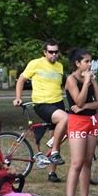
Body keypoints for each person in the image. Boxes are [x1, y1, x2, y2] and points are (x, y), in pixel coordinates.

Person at [13, 39, 67, 182]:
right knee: (64, 119)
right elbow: (21, 80)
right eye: (51, 52)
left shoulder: (60, 66)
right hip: (42, 104)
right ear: (45, 52)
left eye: (56, 52)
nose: (54, 55)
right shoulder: (35, 63)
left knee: (56, 136)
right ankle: (54, 151)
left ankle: (52, 173)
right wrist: (18, 97)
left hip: (58, 102)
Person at [62, 48, 98, 196]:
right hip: (77, 122)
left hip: (92, 121)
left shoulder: (91, 78)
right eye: (86, 61)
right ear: (77, 63)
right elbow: (78, 100)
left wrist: (86, 106)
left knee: (87, 162)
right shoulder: (71, 79)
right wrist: (86, 83)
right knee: (77, 163)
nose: (89, 64)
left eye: (90, 61)